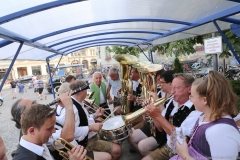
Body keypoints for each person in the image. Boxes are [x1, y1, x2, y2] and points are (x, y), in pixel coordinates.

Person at [173, 71, 240, 160]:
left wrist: (185, 156)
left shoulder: (220, 131)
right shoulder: (205, 117)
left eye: (192, 96)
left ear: (204, 100)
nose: (191, 100)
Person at [141, 73, 202, 160]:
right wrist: (152, 114)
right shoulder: (172, 102)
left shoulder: (195, 108)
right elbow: (160, 128)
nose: (172, 92)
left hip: (181, 151)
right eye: (172, 88)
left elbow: (179, 137)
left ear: (189, 89)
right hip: (167, 145)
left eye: (176, 88)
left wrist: (157, 115)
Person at [11, 93, 87, 160]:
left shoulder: (37, 140)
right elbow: (68, 137)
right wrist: (69, 106)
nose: (54, 131)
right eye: (34, 105)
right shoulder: (28, 153)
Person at [70, 80, 122, 160]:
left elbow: (84, 119)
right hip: (87, 141)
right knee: (117, 150)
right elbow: (73, 132)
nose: (87, 92)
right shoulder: (73, 107)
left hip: (92, 135)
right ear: (81, 92)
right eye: (86, 90)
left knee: (114, 137)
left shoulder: (78, 102)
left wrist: (95, 115)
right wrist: (90, 128)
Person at [129, 70, 175, 156]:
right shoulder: (160, 92)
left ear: (170, 83)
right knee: (131, 135)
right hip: (155, 125)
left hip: (162, 130)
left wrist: (156, 100)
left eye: (162, 82)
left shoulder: (173, 97)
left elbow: (165, 115)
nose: (159, 84)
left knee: (142, 146)